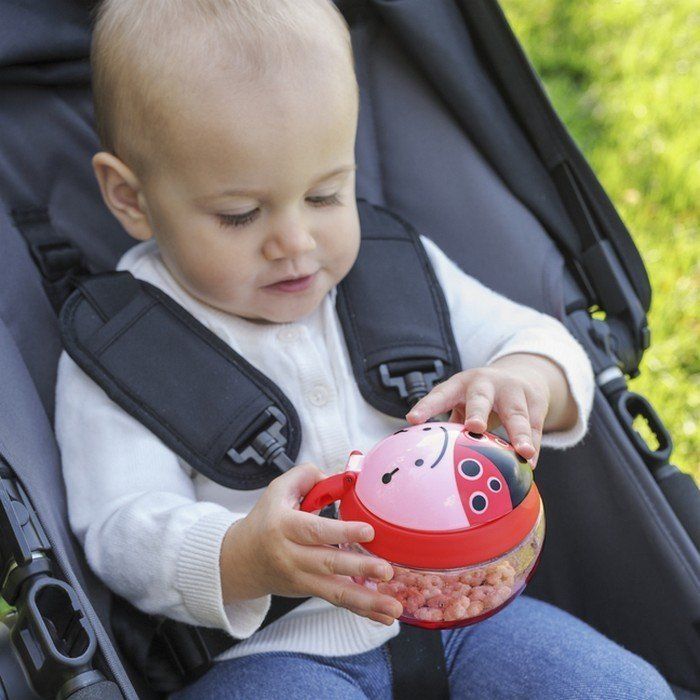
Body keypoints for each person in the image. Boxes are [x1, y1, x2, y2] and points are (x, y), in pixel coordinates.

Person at [55, 0, 674, 697]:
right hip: (273, 655)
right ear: (131, 197)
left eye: (325, 196)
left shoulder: (390, 270)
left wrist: (523, 378)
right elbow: (123, 528)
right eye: (240, 214)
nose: (295, 241)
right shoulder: (126, 348)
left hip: (467, 616)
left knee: (619, 687)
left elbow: (535, 339)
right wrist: (244, 557)